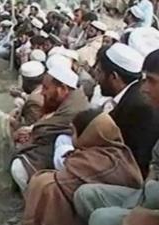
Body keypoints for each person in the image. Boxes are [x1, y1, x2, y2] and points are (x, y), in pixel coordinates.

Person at [73, 48, 159, 225]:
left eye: (151, 81)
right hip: (148, 194)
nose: (144, 89)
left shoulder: (141, 106)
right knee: (85, 195)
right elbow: (154, 166)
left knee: (101, 218)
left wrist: (150, 217)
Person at [23, 108, 143, 225]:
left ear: (87, 134)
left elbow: (65, 180)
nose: (72, 137)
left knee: (51, 187)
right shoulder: (113, 151)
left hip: (124, 208)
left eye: (73, 132)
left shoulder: (105, 159)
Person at [10, 65, 89, 191]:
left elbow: (45, 130)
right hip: (49, 144)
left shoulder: (75, 109)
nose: (42, 92)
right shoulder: (70, 99)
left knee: (19, 167)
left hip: (70, 157)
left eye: (46, 88)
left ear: (62, 89)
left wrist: (31, 132)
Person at [96, 43, 159, 177]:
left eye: (100, 72)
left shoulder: (141, 107)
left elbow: (138, 163)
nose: (145, 89)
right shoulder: (130, 98)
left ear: (114, 76)